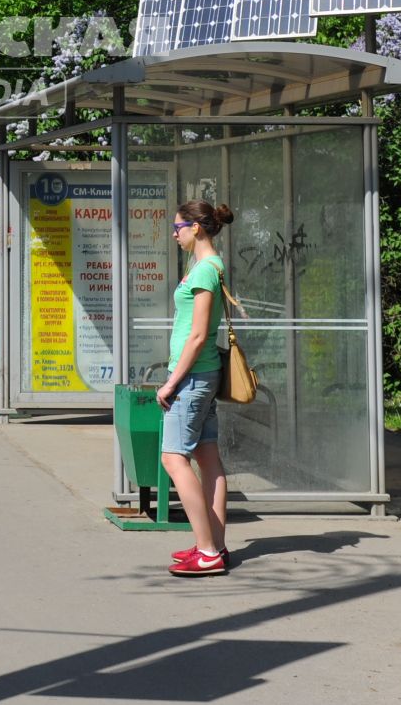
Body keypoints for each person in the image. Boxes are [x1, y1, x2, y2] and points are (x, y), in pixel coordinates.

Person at [154, 200, 235, 576]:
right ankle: (214, 545)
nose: (174, 233)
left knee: (173, 458)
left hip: (192, 378)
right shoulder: (205, 267)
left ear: (197, 228)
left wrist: (171, 382)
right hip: (202, 376)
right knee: (207, 458)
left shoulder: (205, 269)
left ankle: (207, 552)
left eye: (179, 227)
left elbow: (199, 335)